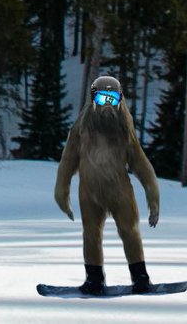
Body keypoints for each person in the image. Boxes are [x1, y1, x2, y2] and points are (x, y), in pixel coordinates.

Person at [53, 74, 162, 295]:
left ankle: (140, 277)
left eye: (113, 99)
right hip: (89, 192)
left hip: (120, 191)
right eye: (103, 99)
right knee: (91, 234)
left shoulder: (124, 131)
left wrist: (153, 195)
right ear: (94, 99)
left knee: (130, 231)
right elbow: (68, 161)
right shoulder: (80, 130)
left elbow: (141, 164)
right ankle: (94, 279)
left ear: (120, 99)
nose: (108, 105)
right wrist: (61, 191)